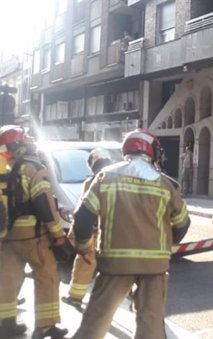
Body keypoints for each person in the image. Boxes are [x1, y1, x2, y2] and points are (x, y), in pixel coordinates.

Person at [71, 129, 190, 339]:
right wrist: (166, 244)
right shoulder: (166, 185)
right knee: (151, 323)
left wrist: (82, 248)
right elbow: (182, 224)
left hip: (115, 263)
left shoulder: (105, 177)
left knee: (96, 319)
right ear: (152, 151)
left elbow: (83, 218)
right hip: (154, 267)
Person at [0, 125, 68, 339]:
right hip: (34, 236)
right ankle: (46, 327)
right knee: (46, 276)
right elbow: (44, 204)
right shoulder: (33, 168)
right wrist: (58, 234)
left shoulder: (4, 169)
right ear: (21, 144)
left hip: (7, 237)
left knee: (7, 280)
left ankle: (5, 322)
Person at [61, 149, 113, 307]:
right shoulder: (118, 180)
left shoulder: (91, 182)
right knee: (116, 267)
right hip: (113, 231)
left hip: (94, 231)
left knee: (85, 262)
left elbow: (82, 210)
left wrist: (75, 234)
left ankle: (75, 297)